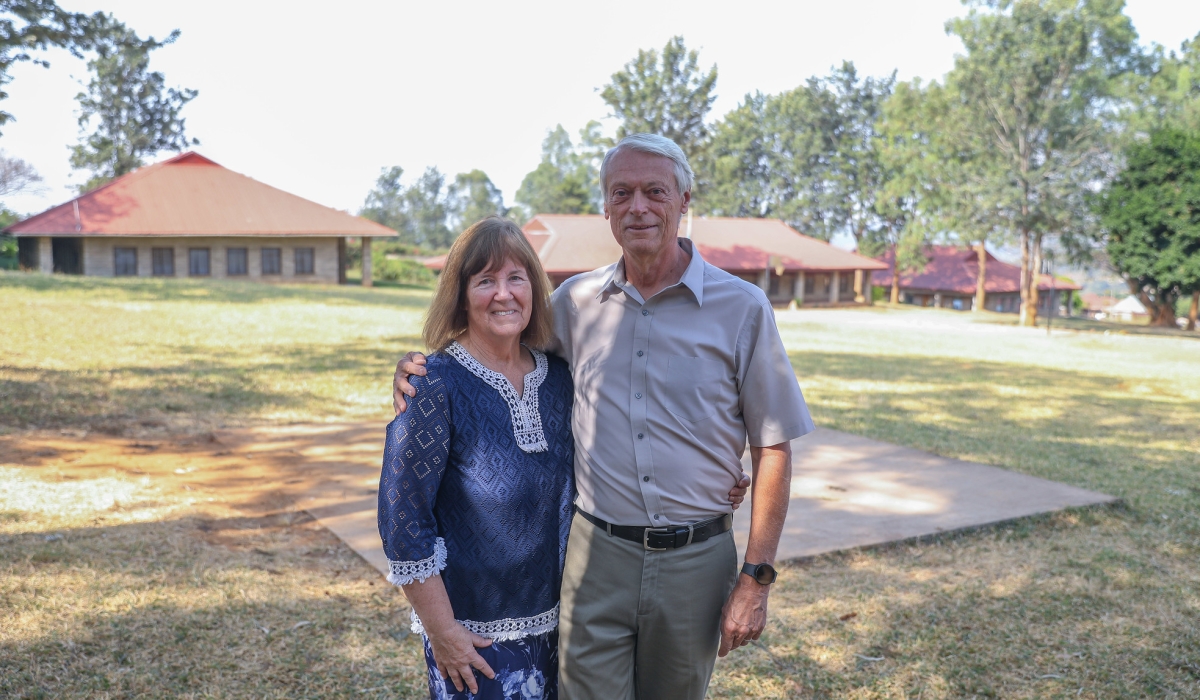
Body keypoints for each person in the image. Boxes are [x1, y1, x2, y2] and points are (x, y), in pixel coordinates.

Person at [393, 134, 813, 700]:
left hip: (696, 559)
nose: (638, 206)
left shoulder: (742, 308)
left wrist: (756, 578)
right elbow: (498, 344)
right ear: (607, 208)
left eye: (654, 191)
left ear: (684, 198)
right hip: (596, 558)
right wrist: (419, 369)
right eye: (622, 193)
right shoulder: (573, 303)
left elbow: (773, 445)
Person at [378, 217, 575, 700]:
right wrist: (443, 632)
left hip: (565, 629)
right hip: (474, 640)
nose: (503, 294)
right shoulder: (433, 383)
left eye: (515, 278)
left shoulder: (560, 380)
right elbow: (404, 521)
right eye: (485, 280)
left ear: (534, 287)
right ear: (461, 295)